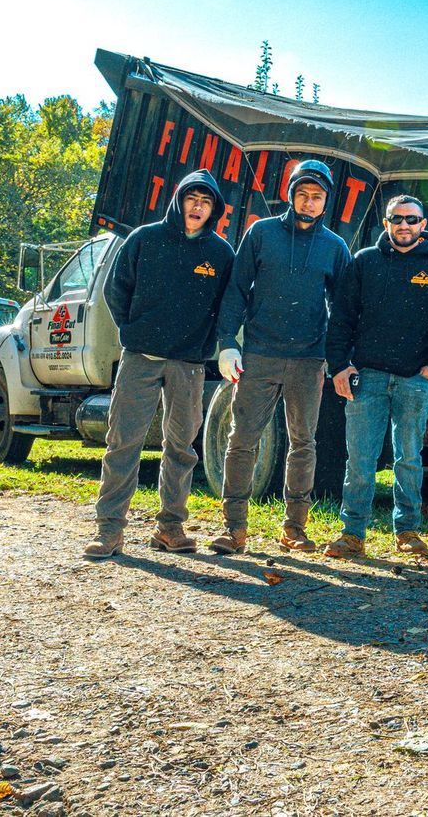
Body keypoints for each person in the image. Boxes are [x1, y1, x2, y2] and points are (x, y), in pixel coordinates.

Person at [86, 169, 234, 559]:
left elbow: (227, 307)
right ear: (179, 201)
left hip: (188, 364)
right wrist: (134, 331)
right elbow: (116, 290)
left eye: (205, 202)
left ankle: (170, 526)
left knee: (182, 446)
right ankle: (110, 529)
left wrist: (208, 345)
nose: (198, 206)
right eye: (192, 199)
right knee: (124, 441)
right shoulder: (144, 239)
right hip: (141, 359)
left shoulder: (220, 253)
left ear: (213, 209)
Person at [208, 160, 351, 555]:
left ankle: (295, 528)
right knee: (242, 440)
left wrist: (338, 359)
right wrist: (228, 343)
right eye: (302, 194)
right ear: (291, 194)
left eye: (317, 196)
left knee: (303, 443)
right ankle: (234, 527)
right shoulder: (261, 233)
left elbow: (343, 309)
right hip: (258, 355)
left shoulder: (335, 247)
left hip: (308, 360)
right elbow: (236, 289)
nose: (309, 202)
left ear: (326, 202)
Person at [323, 195, 428, 558]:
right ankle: (353, 533)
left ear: (423, 225)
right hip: (366, 377)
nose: (404, 225)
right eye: (397, 219)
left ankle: (408, 531)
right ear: (386, 224)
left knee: (409, 458)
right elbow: (341, 319)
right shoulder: (364, 263)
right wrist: (340, 365)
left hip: (414, 380)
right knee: (361, 460)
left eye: (412, 220)